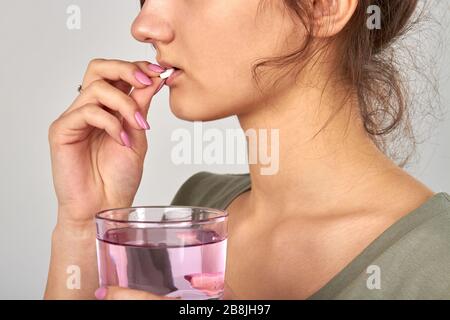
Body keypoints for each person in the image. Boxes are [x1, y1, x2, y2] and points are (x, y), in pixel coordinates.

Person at [45, 0, 450, 300]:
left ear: (323, 7)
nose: (143, 24)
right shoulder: (198, 210)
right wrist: (81, 226)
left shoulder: (436, 264)